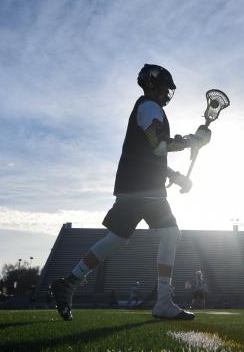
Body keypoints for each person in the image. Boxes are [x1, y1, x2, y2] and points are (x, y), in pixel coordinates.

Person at [50, 64, 211, 321]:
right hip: (143, 191)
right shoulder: (148, 107)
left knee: (117, 240)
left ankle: (69, 281)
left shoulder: (146, 107)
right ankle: (162, 302)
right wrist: (193, 140)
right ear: (152, 84)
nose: (166, 94)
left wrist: (176, 176)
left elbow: (148, 157)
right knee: (170, 234)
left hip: (137, 187)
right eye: (164, 88)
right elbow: (159, 146)